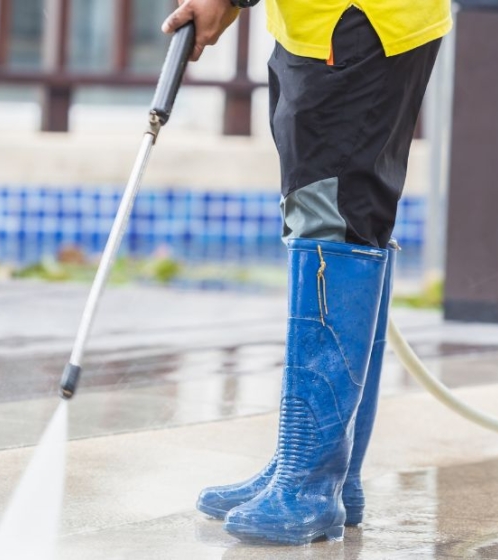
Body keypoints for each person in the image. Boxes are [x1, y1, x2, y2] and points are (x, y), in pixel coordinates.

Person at [162, 0, 451, 545]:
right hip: (328, 25)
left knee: (331, 222)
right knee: (336, 217)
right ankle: (323, 472)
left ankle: (310, 484)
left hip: (354, 21)